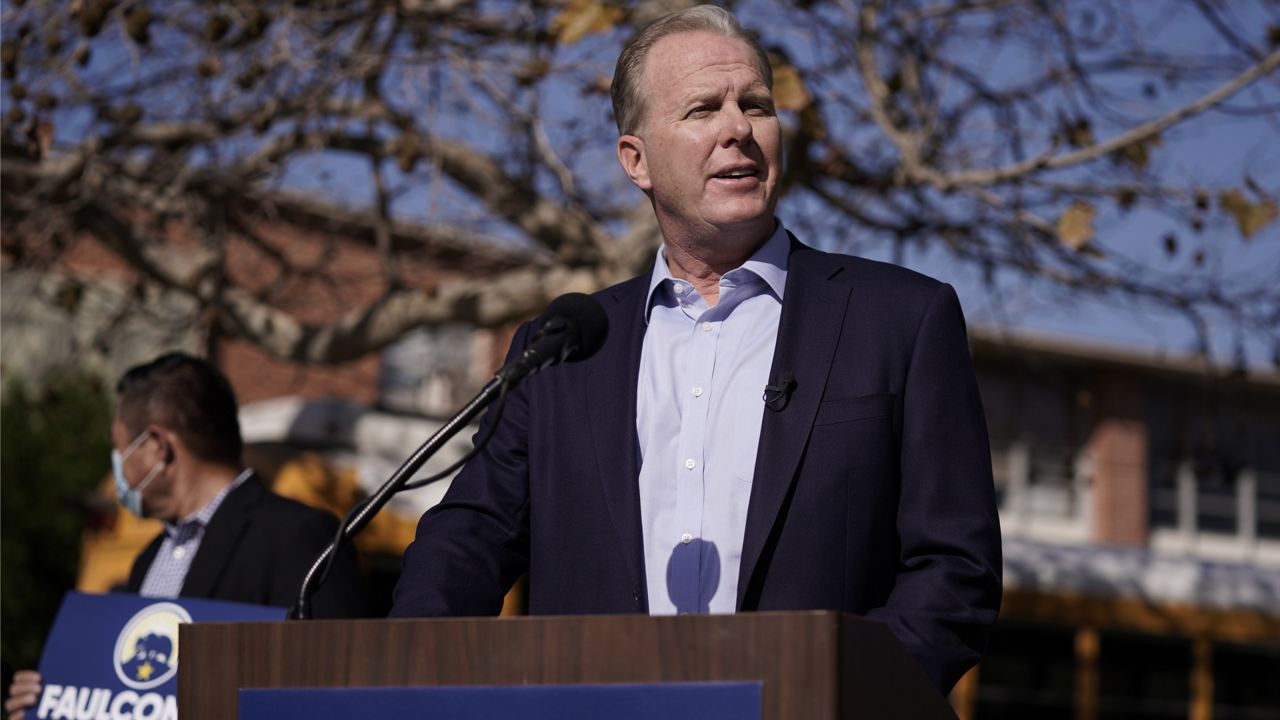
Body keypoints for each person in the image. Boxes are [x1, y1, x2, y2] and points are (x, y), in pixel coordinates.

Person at [390, 4, 1002, 694]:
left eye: (758, 105)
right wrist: (409, 674)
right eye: (703, 109)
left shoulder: (900, 321)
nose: (739, 129)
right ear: (637, 159)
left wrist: (846, 696)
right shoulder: (561, 348)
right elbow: (467, 540)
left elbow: (956, 573)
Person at [5, 352, 365, 719]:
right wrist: (51, 697)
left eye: (119, 448)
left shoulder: (301, 536)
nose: (117, 465)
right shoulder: (147, 558)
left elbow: (332, 694)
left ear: (158, 448)